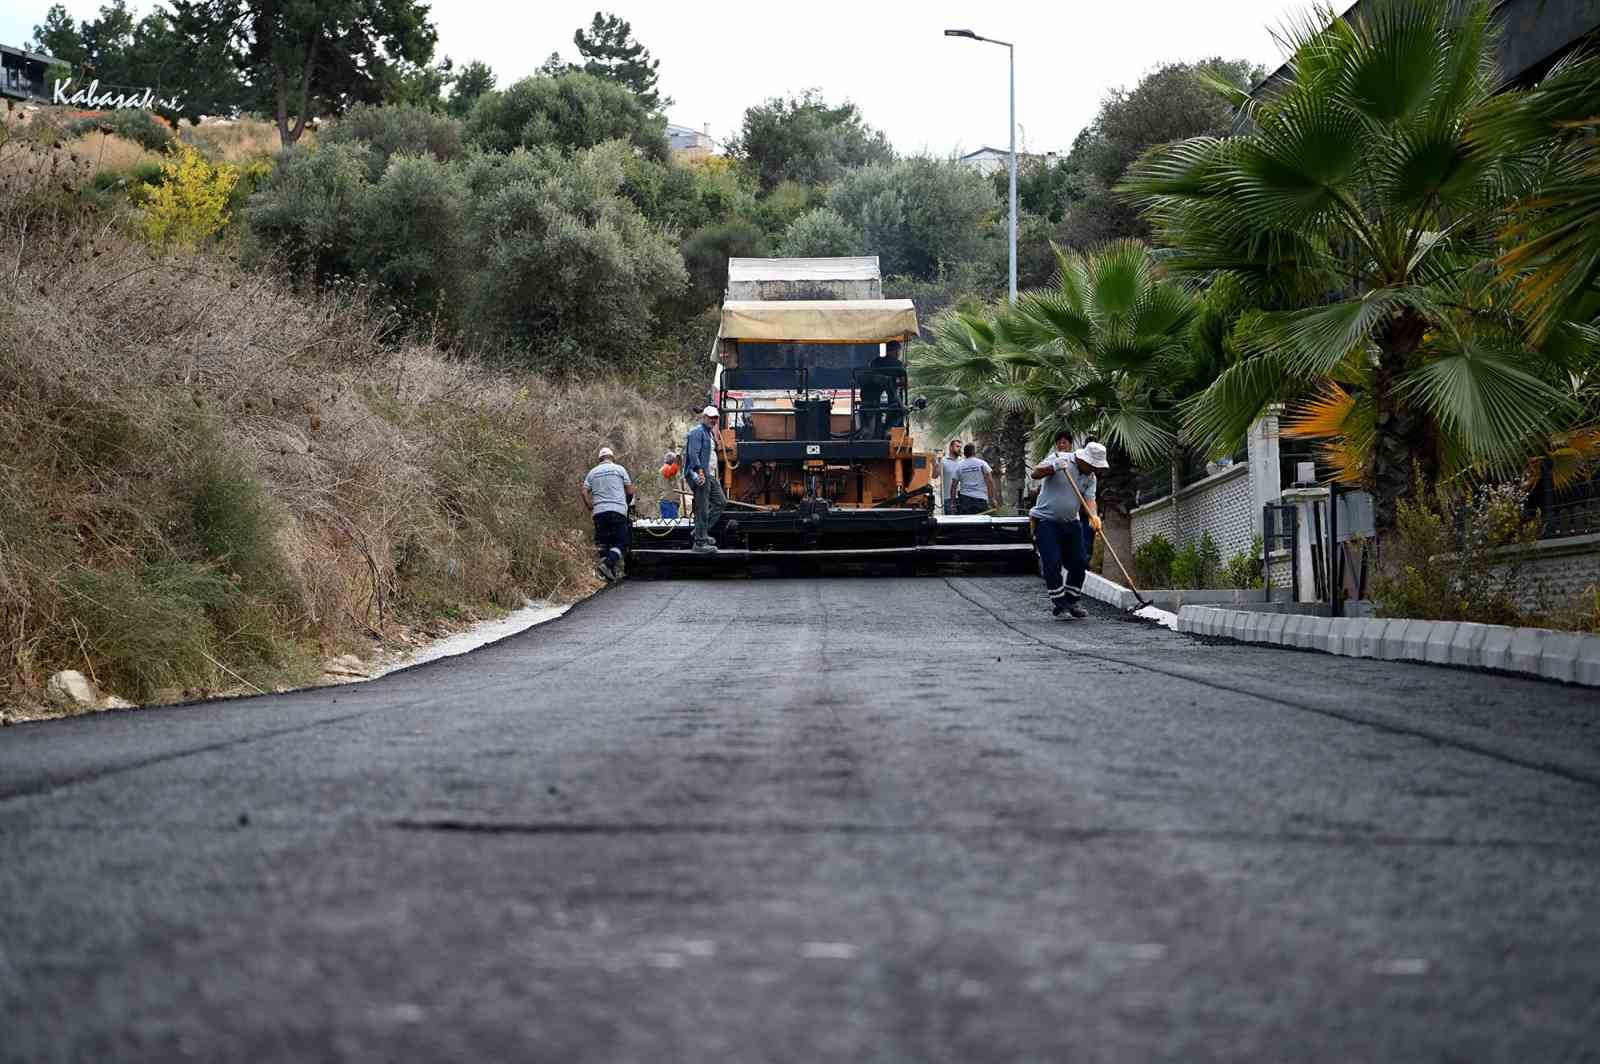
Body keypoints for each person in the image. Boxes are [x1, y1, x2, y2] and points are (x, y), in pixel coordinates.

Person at [1029, 435, 1109, 618]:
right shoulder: (1061, 458)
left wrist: (1094, 516)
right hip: (1046, 522)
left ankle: (1072, 601)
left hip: (1071, 523)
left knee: (1080, 561)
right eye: (1093, 465)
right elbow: (1035, 473)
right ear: (1084, 459)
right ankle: (1060, 603)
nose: (1095, 469)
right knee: (1053, 561)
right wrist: (1053, 467)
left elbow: (1090, 499)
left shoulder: (1091, 477)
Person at [580, 445, 635, 581]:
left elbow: (584, 491)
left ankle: (607, 575)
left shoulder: (592, 473)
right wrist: (626, 504)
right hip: (617, 511)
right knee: (622, 542)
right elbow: (630, 491)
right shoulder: (619, 469)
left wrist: (590, 506)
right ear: (612, 458)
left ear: (600, 459)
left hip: (599, 513)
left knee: (604, 543)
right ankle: (607, 565)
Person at [683, 405, 726, 554]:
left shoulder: (708, 434)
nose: (713, 420)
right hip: (700, 474)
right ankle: (699, 543)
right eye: (711, 417)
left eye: (715, 418)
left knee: (721, 502)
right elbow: (693, 454)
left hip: (709, 474)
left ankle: (700, 532)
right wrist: (699, 472)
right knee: (702, 508)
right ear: (704, 417)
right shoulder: (697, 432)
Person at [952, 443, 997, 515]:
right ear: (974, 452)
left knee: (968, 524)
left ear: (965, 453)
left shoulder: (959, 466)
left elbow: (953, 486)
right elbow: (990, 482)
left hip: (965, 501)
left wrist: (953, 504)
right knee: (981, 524)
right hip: (981, 499)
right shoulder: (982, 464)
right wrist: (992, 499)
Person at [933, 438, 963, 515]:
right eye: (957, 446)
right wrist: (936, 464)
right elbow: (935, 476)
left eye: (960, 447)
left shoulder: (962, 461)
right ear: (950, 447)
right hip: (948, 498)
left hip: (962, 498)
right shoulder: (943, 460)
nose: (959, 449)